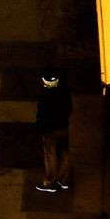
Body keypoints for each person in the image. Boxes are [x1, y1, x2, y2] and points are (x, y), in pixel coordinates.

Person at [32, 64, 76, 195]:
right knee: (64, 153)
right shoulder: (64, 91)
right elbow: (69, 109)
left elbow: (41, 115)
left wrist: (39, 127)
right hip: (63, 126)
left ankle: (50, 182)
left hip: (49, 130)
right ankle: (64, 180)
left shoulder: (45, 96)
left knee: (51, 156)